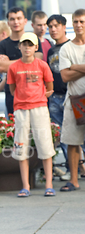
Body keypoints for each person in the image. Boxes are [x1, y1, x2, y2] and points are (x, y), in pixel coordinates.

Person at [7, 32, 55, 197]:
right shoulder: (13, 67)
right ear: (19, 46)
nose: (27, 48)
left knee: (45, 145)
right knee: (21, 146)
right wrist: (23, 99)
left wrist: (39, 97)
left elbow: (50, 87)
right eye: (24, 44)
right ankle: (25, 185)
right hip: (21, 109)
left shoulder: (42, 65)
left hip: (40, 108)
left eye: (30, 44)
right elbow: (13, 89)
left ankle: (49, 184)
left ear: (36, 47)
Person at [0, 7, 43, 116]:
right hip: (12, 93)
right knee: (15, 129)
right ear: (8, 22)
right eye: (12, 19)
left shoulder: (34, 39)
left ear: (25, 21)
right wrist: (27, 60)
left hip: (33, 92)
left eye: (19, 18)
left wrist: (10, 64)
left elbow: (36, 62)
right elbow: (1, 67)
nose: (16, 22)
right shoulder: (3, 45)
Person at [59, 9, 85, 192]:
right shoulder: (66, 48)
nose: (79, 25)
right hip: (74, 99)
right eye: (75, 22)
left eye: (82, 21)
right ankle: (74, 180)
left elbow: (70, 70)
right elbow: (65, 76)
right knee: (72, 141)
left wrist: (74, 67)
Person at [46, 14, 69, 179]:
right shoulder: (51, 50)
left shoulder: (72, 46)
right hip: (55, 97)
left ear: (64, 27)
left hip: (72, 95)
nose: (53, 29)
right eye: (50, 27)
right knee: (62, 136)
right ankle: (71, 169)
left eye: (56, 26)